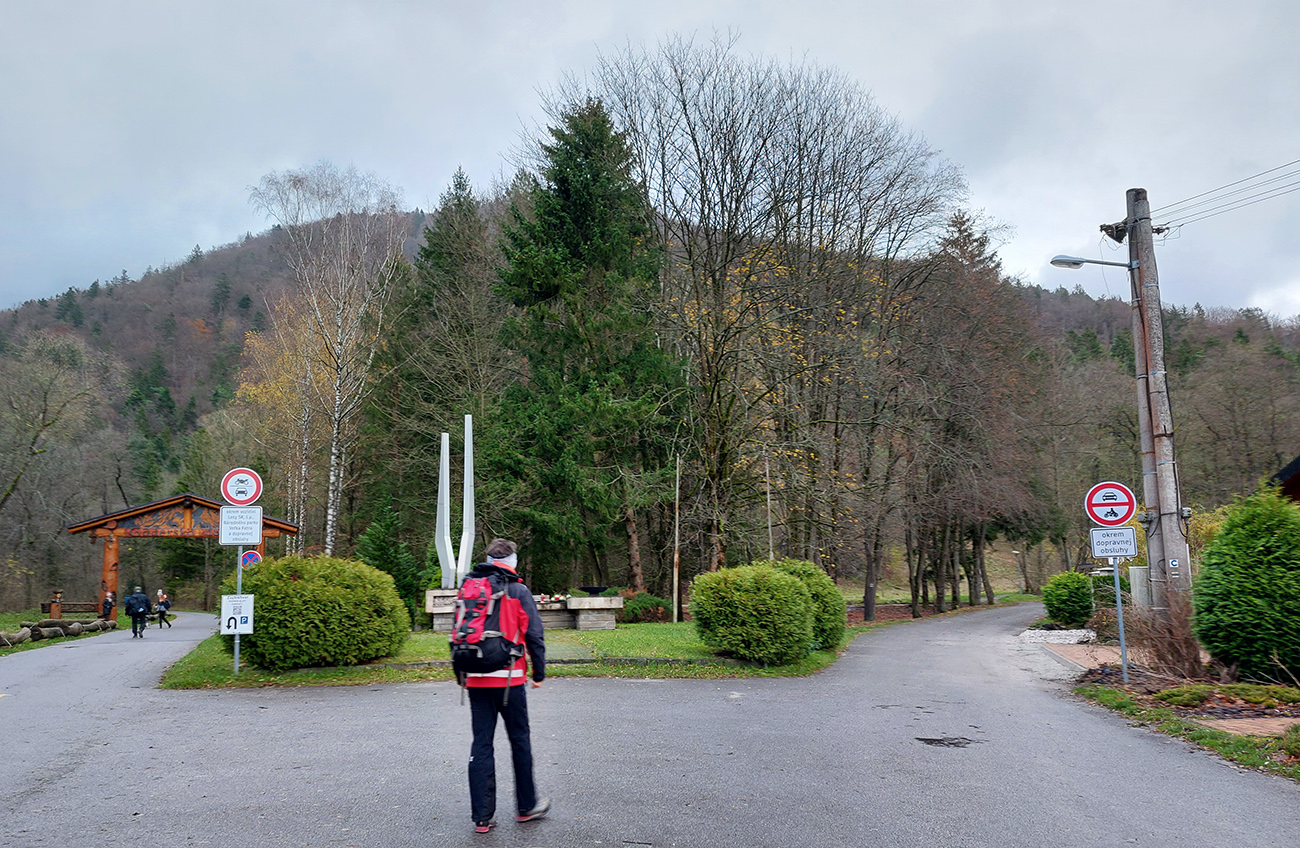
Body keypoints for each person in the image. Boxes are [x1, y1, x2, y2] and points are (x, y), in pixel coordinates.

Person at [463, 538, 549, 834]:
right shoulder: (518, 590)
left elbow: (461, 632)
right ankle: (526, 807)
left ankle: (482, 818)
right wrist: (539, 673)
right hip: (510, 679)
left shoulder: (470, 587)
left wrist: (462, 674)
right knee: (519, 740)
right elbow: (534, 634)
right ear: (512, 562)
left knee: (481, 743)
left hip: (475, 677)